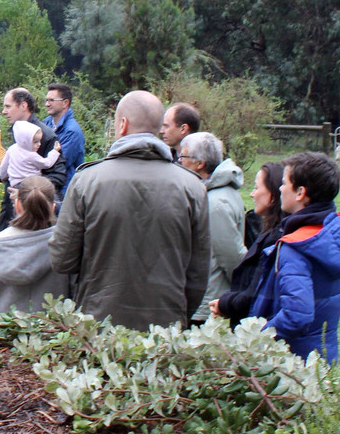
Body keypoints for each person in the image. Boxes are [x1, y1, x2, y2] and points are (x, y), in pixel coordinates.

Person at [49, 89, 210, 331]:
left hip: (99, 324)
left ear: (122, 125)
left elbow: (62, 259)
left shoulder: (87, 181)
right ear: (158, 128)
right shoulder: (193, 187)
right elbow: (198, 273)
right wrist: (179, 314)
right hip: (165, 330)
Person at [250, 152, 340, 361]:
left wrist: (256, 338)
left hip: (294, 363)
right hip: (322, 357)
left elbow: (297, 314)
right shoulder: (330, 232)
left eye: (284, 183)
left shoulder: (297, 247)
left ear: (300, 192)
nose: (280, 189)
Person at [0, 175, 71, 312]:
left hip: (4, 328)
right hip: (53, 329)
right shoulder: (67, 244)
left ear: (17, 205)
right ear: (53, 207)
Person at [178, 132, 246, 323]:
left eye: (183, 157)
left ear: (200, 164)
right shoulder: (215, 193)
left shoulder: (215, 203)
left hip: (210, 302)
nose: (179, 162)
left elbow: (232, 257)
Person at [211, 161, 288, 326]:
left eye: (257, 188)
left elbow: (256, 289)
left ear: (273, 194)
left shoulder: (275, 239)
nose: (252, 194)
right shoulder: (271, 230)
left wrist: (225, 303)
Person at [0, 88, 67, 228]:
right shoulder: (18, 133)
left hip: (33, 219)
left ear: (23, 106)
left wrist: (27, 192)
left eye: (8, 106)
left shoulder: (45, 136)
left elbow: (58, 176)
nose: (4, 111)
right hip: (11, 209)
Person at [0, 121, 60, 196]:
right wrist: (55, 152)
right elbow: (46, 163)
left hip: (14, 185)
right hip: (30, 186)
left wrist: (3, 176)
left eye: (39, 141)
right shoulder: (31, 155)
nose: (39, 144)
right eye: (35, 142)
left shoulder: (12, 149)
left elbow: (4, 166)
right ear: (25, 141)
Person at [43, 83, 86, 187]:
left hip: (64, 190)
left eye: (51, 100)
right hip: (47, 186)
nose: (47, 104)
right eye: (47, 100)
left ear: (65, 103)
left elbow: (59, 164)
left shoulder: (72, 132)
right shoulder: (46, 123)